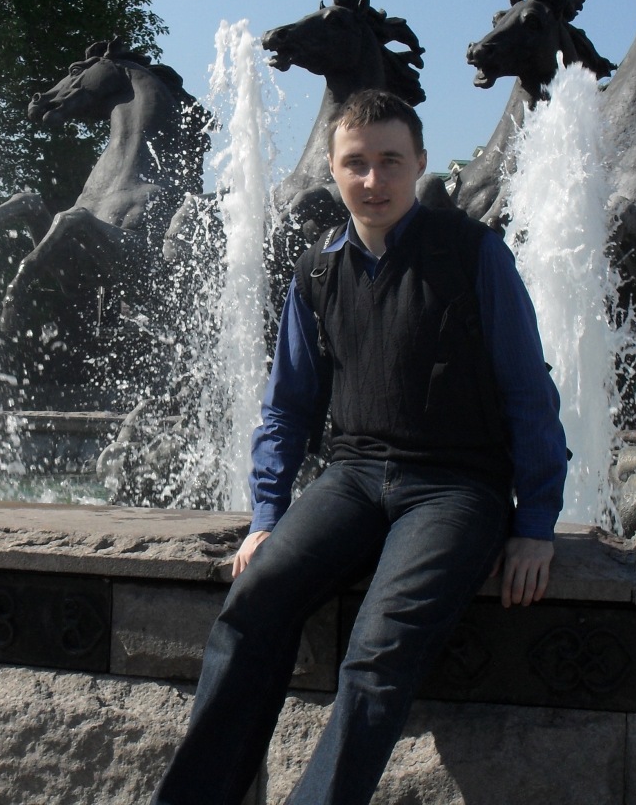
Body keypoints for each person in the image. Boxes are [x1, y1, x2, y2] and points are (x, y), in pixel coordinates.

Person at [152, 89, 567, 805]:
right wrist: (266, 515)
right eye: (356, 163)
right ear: (335, 170)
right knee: (254, 604)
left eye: (390, 161)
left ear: (420, 164)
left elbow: (530, 392)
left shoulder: (474, 255)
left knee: (377, 652)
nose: (373, 180)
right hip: (353, 479)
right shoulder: (317, 269)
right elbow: (287, 405)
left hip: (455, 488)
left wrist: (534, 525)